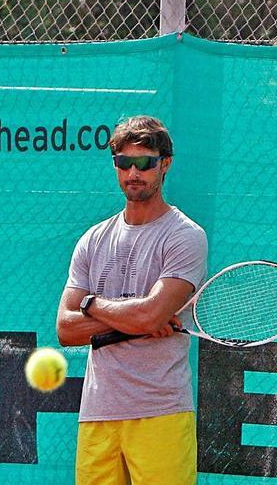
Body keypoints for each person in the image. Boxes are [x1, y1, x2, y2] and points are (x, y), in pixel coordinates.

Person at [56, 115, 207, 484]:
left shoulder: (184, 236)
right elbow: (65, 329)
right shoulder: (92, 239)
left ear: (164, 164)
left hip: (161, 411)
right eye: (125, 162)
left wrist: (91, 304)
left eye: (145, 163)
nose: (133, 173)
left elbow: (149, 316)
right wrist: (138, 316)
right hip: (97, 413)